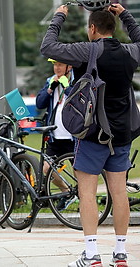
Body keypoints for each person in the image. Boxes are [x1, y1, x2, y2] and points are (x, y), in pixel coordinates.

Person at [40, 3, 140, 267]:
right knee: (119, 193)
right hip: (121, 134)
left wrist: (59, 17)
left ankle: (92, 254)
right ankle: (120, 254)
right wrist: (125, 15)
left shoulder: (87, 50)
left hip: (91, 133)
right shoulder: (130, 52)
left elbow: (48, 47)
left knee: (87, 192)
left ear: (93, 28)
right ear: (114, 27)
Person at [36, 58, 75, 211]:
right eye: (55, 65)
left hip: (72, 135)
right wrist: (50, 89)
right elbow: (40, 103)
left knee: (80, 172)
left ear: (69, 66)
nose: (57, 68)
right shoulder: (50, 80)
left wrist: (67, 86)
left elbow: (79, 100)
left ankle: (86, 201)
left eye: (60, 64)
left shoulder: (76, 80)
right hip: (55, 134)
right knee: (47, 169)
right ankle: (66, 192)